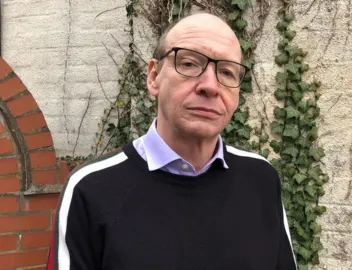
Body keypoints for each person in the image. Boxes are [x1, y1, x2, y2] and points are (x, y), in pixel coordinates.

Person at [47, 12, 297, 270]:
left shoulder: (262, 178)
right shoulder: (90, 189)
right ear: (154, 77)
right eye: (189, 64)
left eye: (226, 72)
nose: (210, 86)